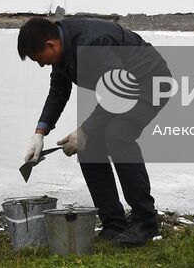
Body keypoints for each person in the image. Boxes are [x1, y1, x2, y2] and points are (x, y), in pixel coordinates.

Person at [17, 16, 170, 247]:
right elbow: (59, 91)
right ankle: (114, 223)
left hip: (150, 83)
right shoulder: (61, 48)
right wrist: (40, 132)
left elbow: (119, 89)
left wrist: (85, 129)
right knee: (88, 145)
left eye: (39, 59)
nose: (41, 65)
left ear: (50, 45)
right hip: (123, 88)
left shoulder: (92, 42)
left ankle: (146, 221)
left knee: (118, 134)